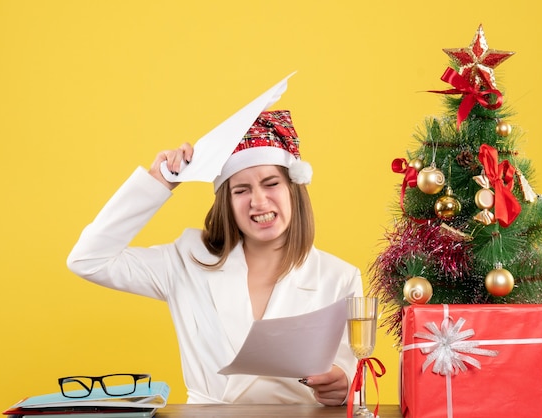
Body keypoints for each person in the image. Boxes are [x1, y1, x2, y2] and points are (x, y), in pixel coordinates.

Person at [67, 109, 363, 405]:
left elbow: (353, 383)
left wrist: (343, 386)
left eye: (271, 183)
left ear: (293, 189)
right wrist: (158, 182)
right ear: (227, 202)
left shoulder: (339, 278)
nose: (258, 201)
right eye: (241, 190)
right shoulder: (186, 260)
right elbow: (88, 259)